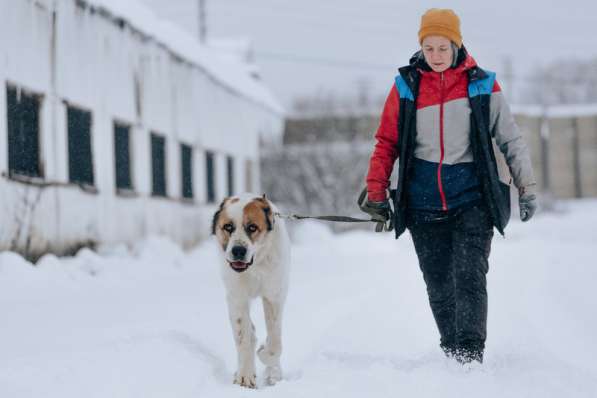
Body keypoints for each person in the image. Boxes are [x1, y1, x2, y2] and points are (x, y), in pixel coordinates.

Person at [359, 8, 537, 364]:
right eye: (429, 48)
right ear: (421, 47)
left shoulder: (482, 84)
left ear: (456, 44)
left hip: (472, 199)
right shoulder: (406, 87)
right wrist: (376, 191)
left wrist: (526, 186)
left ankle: (470, 357)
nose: (436, 56)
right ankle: (452, 354)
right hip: (422, 203)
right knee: (439, 285)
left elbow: (510, 139)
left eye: (443, 47)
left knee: (470, 277)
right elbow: (386, 142)